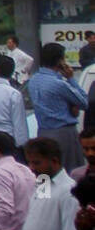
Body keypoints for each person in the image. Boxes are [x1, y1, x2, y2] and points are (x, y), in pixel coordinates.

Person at [28, 42, 88, 171]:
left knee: (44, 172)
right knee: (71, 173)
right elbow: (84, 102)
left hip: (43, 132)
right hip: (64, 133)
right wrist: (71, 78)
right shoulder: (59, 84)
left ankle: (44, 192)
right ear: (60, 60)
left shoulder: (33, 81)